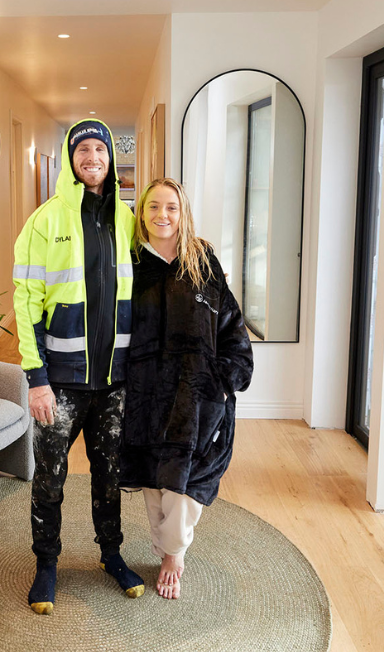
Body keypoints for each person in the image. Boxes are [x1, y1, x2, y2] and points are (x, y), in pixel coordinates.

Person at [13, 119, 142, 615]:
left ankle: (111, 555)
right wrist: (36, 379)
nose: (92, 156)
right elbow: (25, 303)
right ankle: (47, 564)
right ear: (71, 159)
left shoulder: (126, 218)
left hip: (113, 381)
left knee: (110, 475)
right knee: (51, 475)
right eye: (83, 148)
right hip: (60, 383)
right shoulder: (44, 221)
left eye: (100, 148)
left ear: (110, 158)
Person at [120, 178, 254, 599]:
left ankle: (173, 552)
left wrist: (229, 374)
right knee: (154, 477)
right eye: (154, 206)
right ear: (142, 212)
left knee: (190, 475)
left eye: (171, 207)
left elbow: (231, 322)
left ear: (184, 213)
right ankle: (166, 548)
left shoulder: (203, 261)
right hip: (143, 391)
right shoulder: (129, 263)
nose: (163, 215)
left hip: (197, 391)